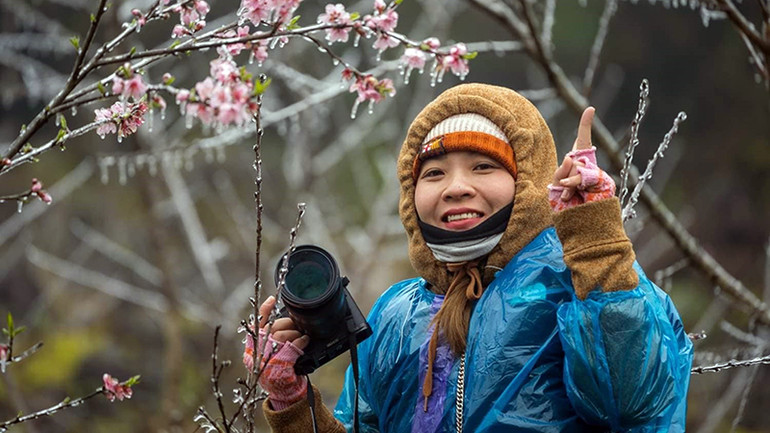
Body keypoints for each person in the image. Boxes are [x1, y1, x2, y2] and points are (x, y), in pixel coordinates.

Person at [253, 83, 693, 432]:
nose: (455, 187)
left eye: (483, 167)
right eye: (434, 173)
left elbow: (632, 405)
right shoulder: (396, 315)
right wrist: (292, 403)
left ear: (528, 181)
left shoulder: (580, 282)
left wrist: (594, 240)